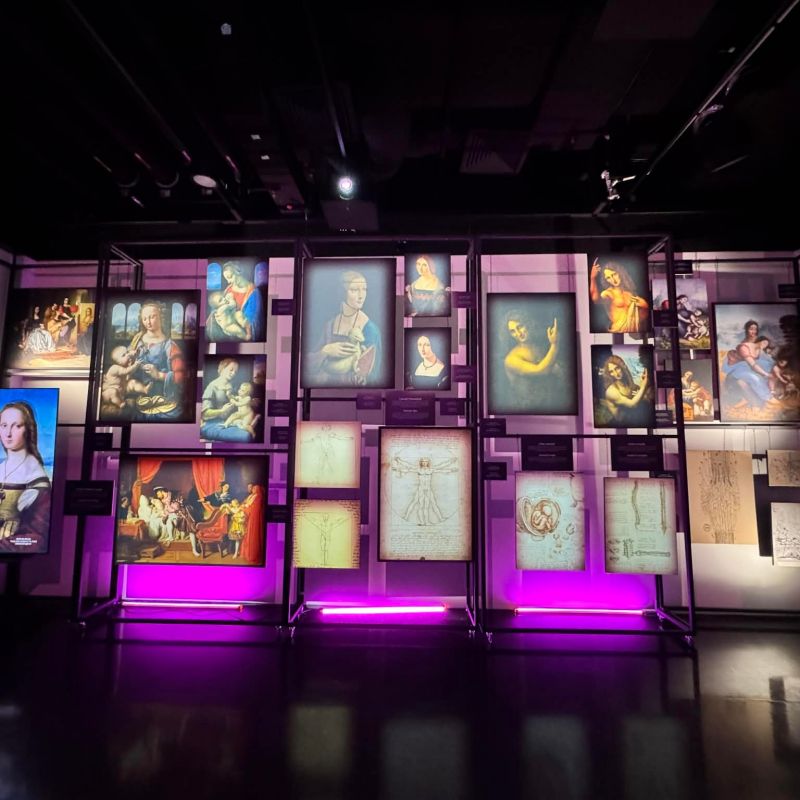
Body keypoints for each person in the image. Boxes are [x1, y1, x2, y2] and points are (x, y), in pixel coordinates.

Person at [112, 300, 188, 419]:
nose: (148, 322)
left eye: (152, 317)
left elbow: (181, 376)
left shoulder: (170, 346)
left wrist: (159, 375)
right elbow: (123, 367)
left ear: (161, 317)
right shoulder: (136, 342)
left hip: (164, 400)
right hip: (138, 398)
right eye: (145, 318)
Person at [306, 270, 383, 386]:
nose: (361, 296)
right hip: (326, 390)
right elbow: (309, 366)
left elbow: (372, 375)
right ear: (342, 292)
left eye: (364, 290)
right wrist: (325, 351)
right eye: (354, 290)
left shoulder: (370, 330)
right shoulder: (330, 325)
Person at [0, 401, 52, 551]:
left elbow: (37, 538)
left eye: (17, 426)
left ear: (28, 430)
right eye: (4, 425)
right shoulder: (2, 467)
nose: (8, 433)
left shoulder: (35, 476)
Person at [500, 309, 559, 411]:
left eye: (520, 327)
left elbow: (553, 368)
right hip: (525, 410)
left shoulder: (538, 346)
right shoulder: (511, 359)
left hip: (548, 405)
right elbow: (542, 370)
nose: (518, 333)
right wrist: (555, 344)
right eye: (513, 331)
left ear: (528, 324)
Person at [721, 319, 775, 411]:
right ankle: (767, 398)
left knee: (753, 378)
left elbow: (765, 358)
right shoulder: (744, 346)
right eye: (751, 329)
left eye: (755, 329)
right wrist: (765, 374)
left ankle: (758, 402)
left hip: (751, 367)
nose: (753, 331)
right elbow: (752, 364)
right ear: (746, 330)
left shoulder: (760, 342)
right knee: (752, 378)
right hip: (741, 368)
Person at [391, 455, 458, 526]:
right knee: (420, 505)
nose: (424, 463)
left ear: (428, 462)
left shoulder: (431, 470)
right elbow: (408, 467)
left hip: (428, 489)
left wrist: (451, 464)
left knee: (431, 504)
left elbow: (441, 468)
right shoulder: (418, 469)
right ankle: (421, 521)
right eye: (423, 462)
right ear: (421, 462)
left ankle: (436, 519)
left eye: (426, 462)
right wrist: (399, 462)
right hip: (421, 489)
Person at [206, 261, 264, 341]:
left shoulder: (253, 293)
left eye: (230, 277)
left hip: (241, 333)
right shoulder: (229, 289)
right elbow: (216, 306)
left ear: (238, 272)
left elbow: (252, 322)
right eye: (226, 279)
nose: (228, 281)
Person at [589, 258, 650, 333]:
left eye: (614, 274)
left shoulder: (630, 293)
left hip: (633, 332)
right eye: (608, 278)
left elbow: (639, 317)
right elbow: (595, 299)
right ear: (606, 280)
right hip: (617, 332)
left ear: (620, 273)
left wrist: (645, 306)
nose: (613, 280)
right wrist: (592, 278)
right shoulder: (608, 293)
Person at [596, 354, 652, 426]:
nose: (616, 373)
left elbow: (644, 400)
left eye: (617, 368)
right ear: (609, 374)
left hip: (632, 422)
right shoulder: (611, 391)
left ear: (622, 367)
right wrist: (644, 385)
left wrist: (643, 395)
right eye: (611, 371)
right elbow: (632, 404)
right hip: (619, 425)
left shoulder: (631, 385)